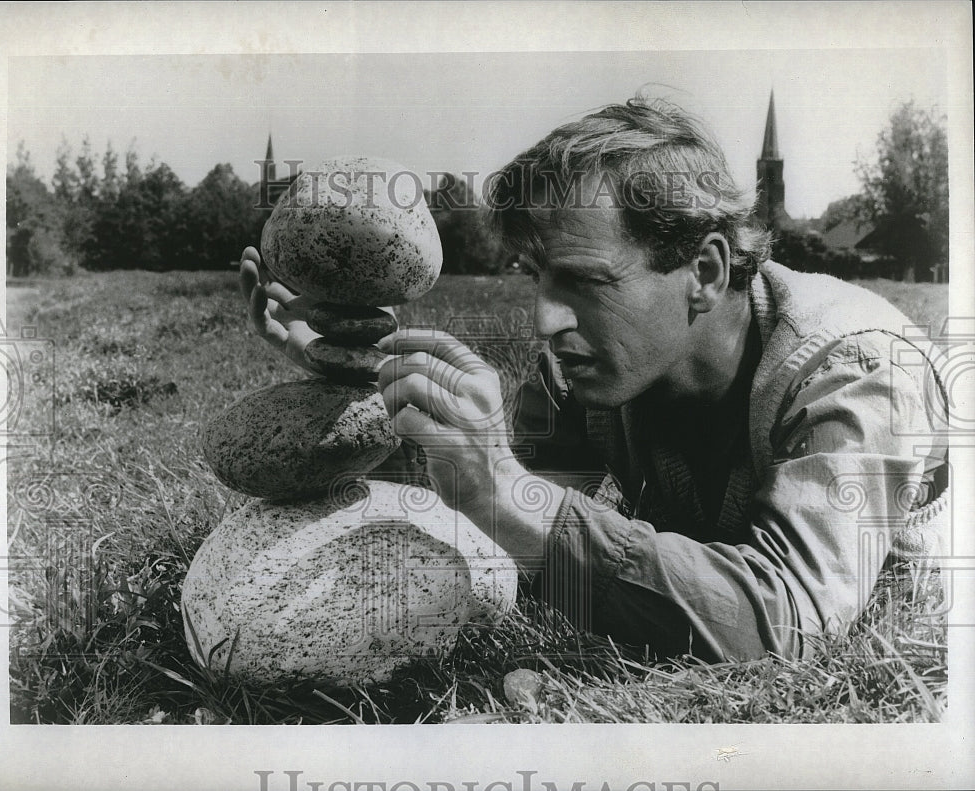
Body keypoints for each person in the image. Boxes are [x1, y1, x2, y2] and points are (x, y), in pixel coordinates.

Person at [239, 94, 948, 663]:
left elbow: (792, 622)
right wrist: (346, 375)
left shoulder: (854, 370)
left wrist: (510, 495)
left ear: (704, 271)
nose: (546, 319)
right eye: (538, 277)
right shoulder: (584, 374)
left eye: (583, 281)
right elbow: (486, 532)